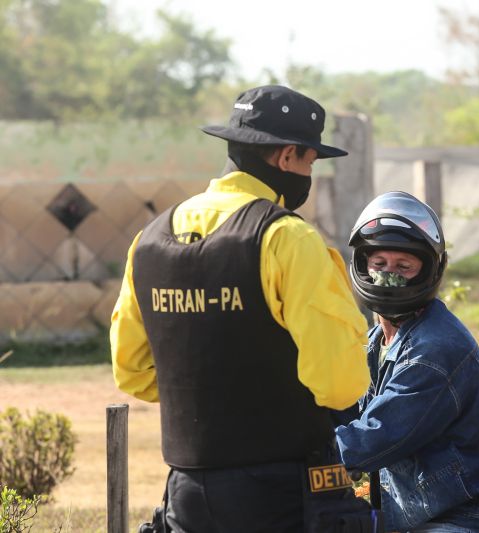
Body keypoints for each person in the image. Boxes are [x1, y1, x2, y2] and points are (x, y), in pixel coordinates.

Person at [110, 85, 371, 532]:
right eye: (311, 161)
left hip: (186, 490)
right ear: (287, 156)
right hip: (284, 493)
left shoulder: (149, 240)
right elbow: (339, 384)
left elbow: (131, 371)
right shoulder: (288, 239)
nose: (310, 174)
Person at [335, 191, 479, 533]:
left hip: (467, 515)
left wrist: (296, 457)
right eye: (379, 265)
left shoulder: (434, 350)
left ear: (429, 271)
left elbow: (374, 438)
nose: (388, 276)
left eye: (403, 267)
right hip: (422, 510)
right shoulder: (377, 339)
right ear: (363, 265)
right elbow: (348, 408)